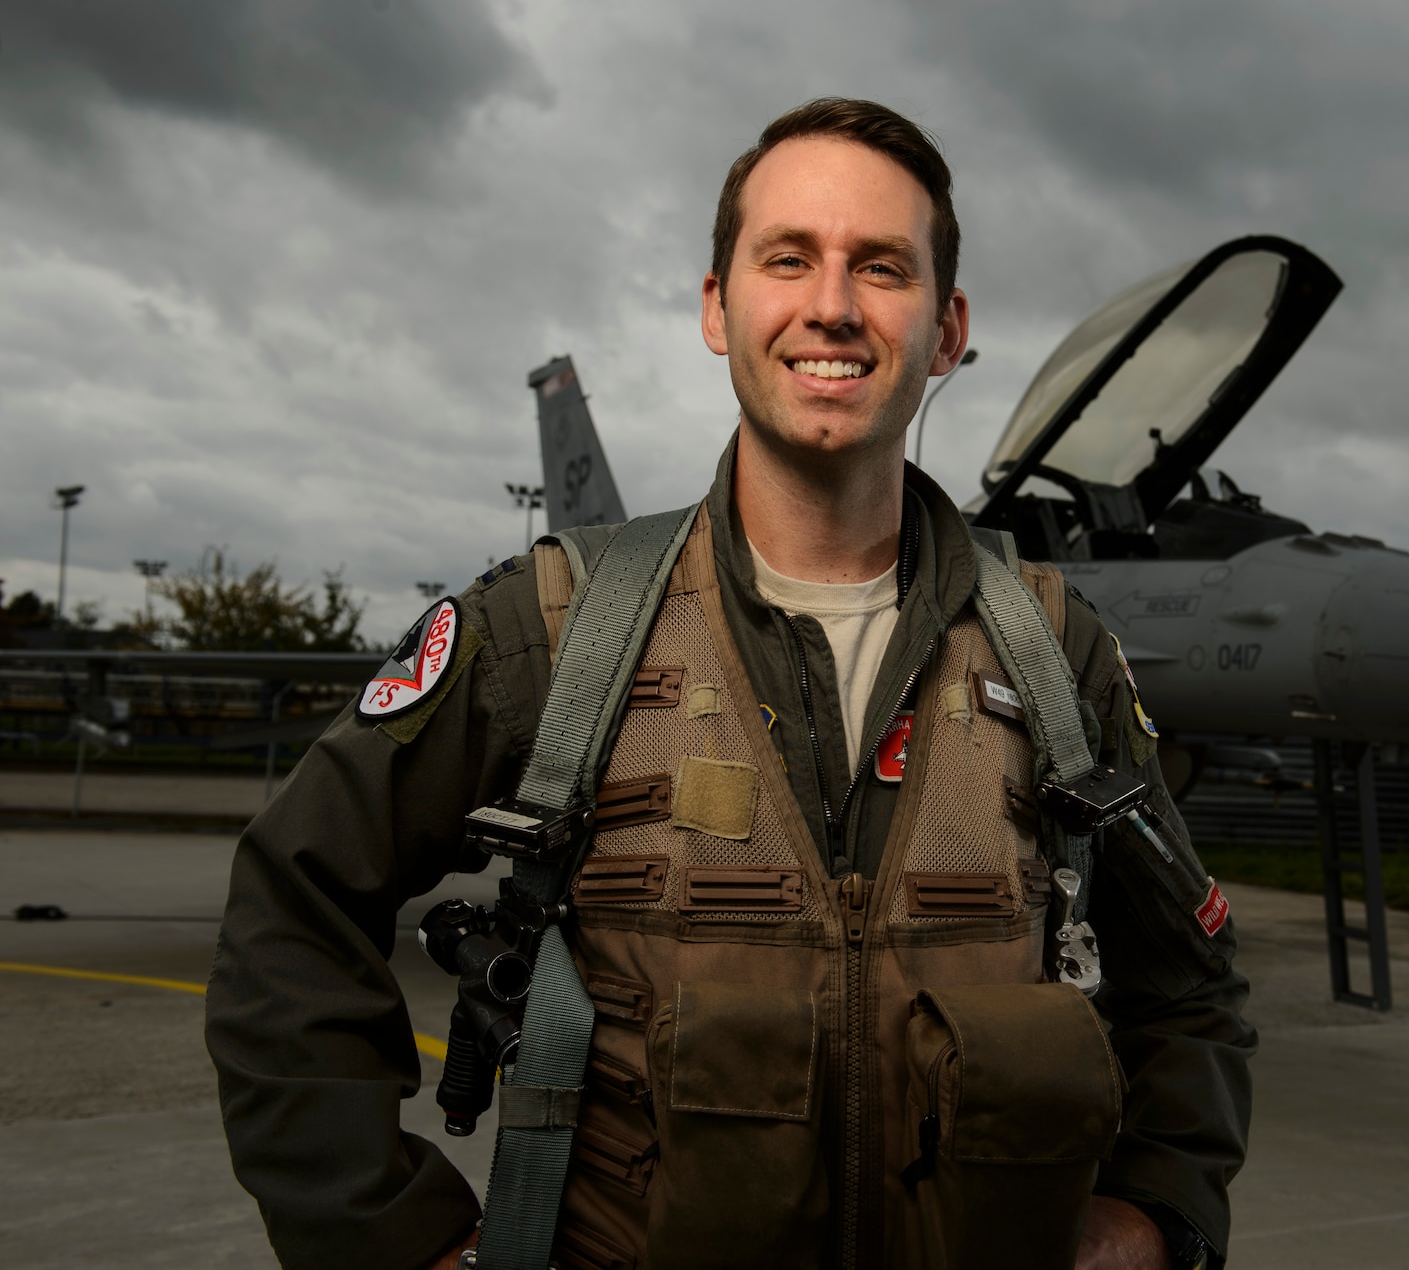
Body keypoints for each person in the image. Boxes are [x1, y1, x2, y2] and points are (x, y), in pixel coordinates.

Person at [207, 98, 1254, 1270]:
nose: (832, 306)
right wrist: (393, 1236)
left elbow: (1192, 985)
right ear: (718, 306)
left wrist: (1159, 1213)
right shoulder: (552, 626)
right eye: (787, 258)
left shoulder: (1055, 649)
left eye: (881, 267)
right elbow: (291, 906)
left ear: (947, 329)